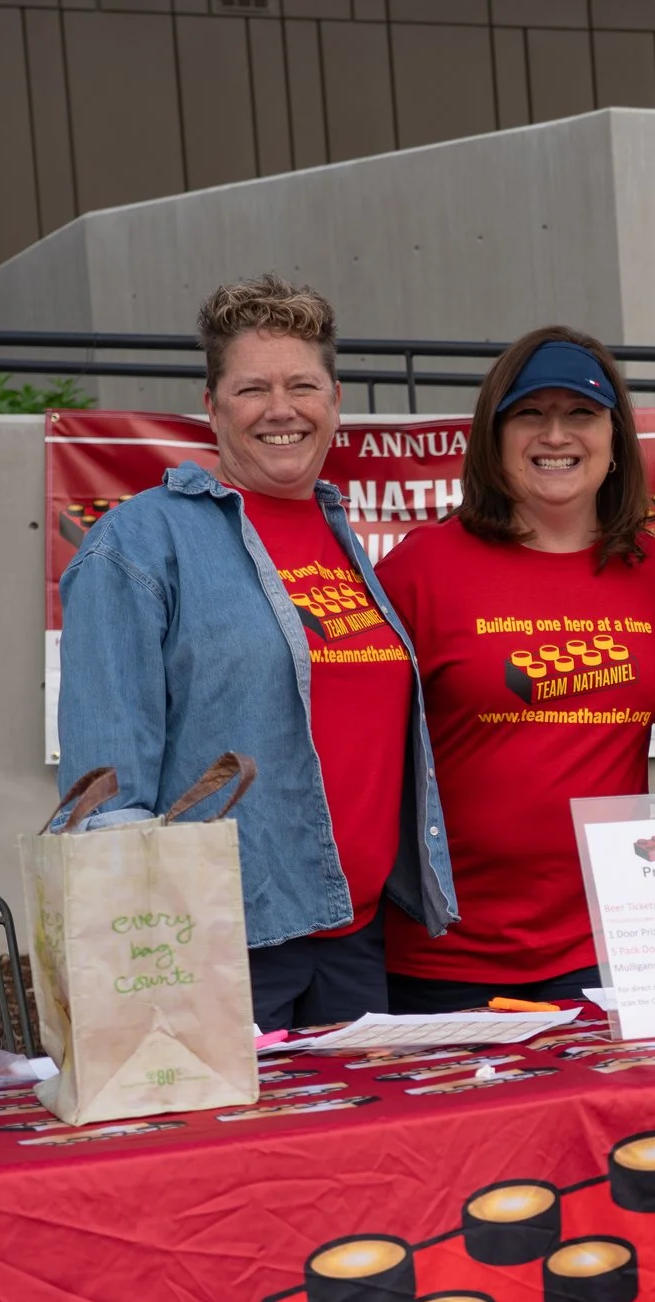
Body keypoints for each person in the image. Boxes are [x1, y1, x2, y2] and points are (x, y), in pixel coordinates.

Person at [55, 276, 453, 1030]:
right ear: (210, 405)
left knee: (356, 1149)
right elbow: (102, 791)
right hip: (220, 953)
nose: (281, 409)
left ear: (335, 399)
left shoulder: (339, 532)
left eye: (302, 384)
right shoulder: (139, 545)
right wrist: (142, 972)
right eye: (252, 388)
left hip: (356, 938)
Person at [374, 327, 655, 1010]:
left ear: (615, 435)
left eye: (581, 414)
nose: (556, 435)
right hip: (446, 956)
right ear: (494, 434)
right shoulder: (420, 571)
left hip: (613, 947)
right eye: (531, 414)